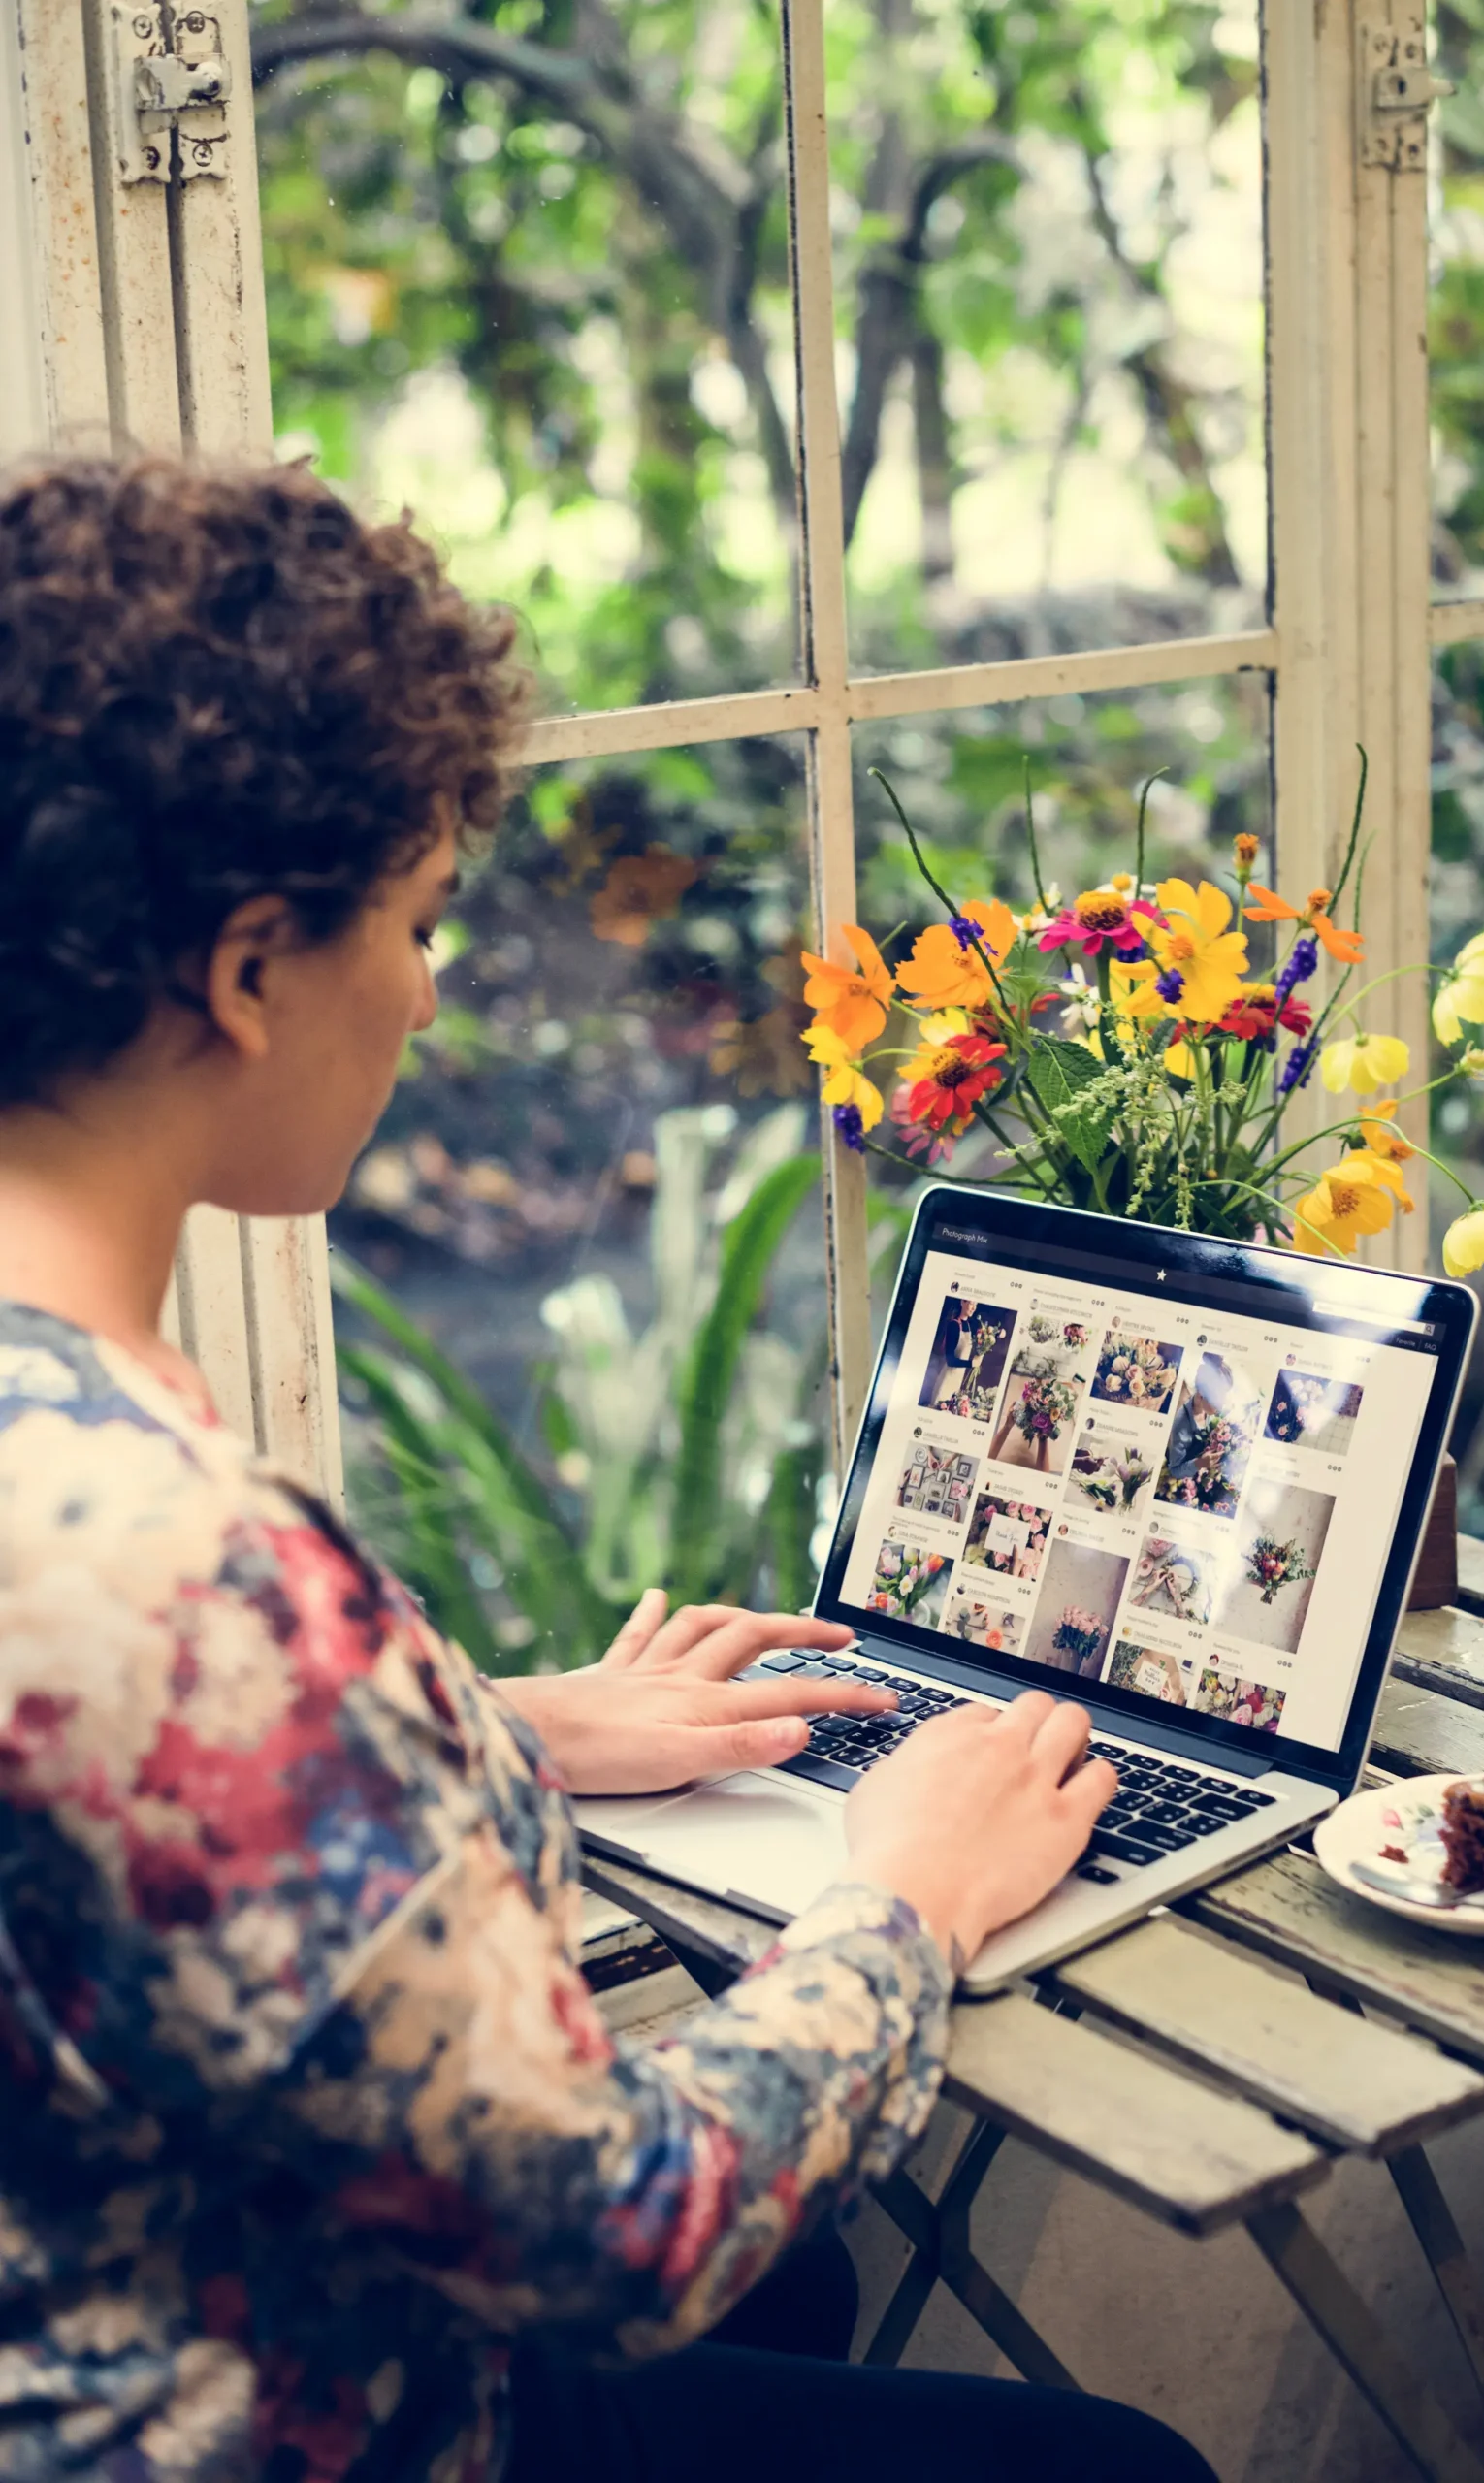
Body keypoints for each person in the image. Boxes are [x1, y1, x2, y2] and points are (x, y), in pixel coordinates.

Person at [0, 457, 1217, 2483]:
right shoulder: (186, 1570)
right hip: (289, 2422)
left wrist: (497, 1724)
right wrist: (908, 1895)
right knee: (1126, 2469)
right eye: (414, 921)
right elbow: (622, 2231)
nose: (427, 988)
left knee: (809, 2294)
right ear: (248, 967)